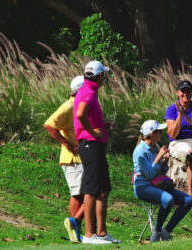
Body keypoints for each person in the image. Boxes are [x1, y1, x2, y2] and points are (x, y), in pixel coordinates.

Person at [74, 60, 121, 245]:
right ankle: (88, 235)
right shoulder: (87, 92)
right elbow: (80, 114)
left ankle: (101, 233)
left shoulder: (89, 90)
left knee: (103, 189)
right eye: (105, 75)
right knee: (92, 188)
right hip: (89, 144)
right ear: (100, 76)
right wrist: (93, 131)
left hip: (95, 144)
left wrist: (103, 126)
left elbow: (87, 116)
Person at [132, 120, 192, 242]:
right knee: (168, 199)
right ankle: (157, 231)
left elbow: (161, 171)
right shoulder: (139, 152)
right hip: (142, 186)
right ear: (152, 134)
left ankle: (166, 231)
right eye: (160, 131)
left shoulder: (155, 147)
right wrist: (159, 157)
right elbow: (149, 175)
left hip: (157, 184)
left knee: (188, 200)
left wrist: (164, 161)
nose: (162, 133)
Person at [44, 75, 85, 242]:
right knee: (77, 194)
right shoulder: (69, 106)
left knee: (83, 194)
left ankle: (77, 229)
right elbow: (49, 124)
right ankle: (73, 229)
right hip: (72, 158)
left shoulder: (80, 106)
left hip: (81, 157)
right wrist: (66, 143)